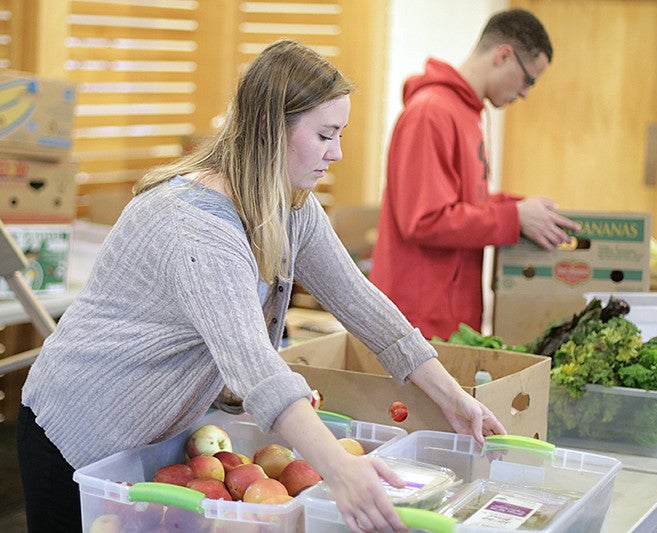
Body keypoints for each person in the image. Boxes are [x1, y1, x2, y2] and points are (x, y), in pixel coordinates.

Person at [17, 39, 505, 533]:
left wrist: (453, 396)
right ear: (272, 132)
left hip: (146, 439)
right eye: (325, 135)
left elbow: (360, 301)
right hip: (76, 430)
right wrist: (338, 469)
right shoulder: (195, 227)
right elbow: (256, 368)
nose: (336, 153)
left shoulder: (290, 205)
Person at [369, 8, 582, 340]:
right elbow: (424, 219)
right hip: (418, 321)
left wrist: (520, 207)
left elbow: (465, 201)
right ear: (504, 56)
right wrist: (512, 218)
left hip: (451, 316)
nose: (526, 93)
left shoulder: (468, 114)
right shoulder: (431, 112)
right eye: (529, 79)